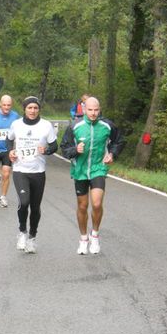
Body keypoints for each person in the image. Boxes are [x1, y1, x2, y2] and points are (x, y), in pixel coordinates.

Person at [60, 96, 125, 255]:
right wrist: (76, 150)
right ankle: (83, 238)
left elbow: (119, 141)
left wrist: (111, 154)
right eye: (90, 110)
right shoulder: (75, 126)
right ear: (84, 109)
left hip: (98, 168)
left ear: (100, 109)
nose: (93, 113)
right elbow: (64, 148)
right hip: (80, 170)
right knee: (82, 206)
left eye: (96, 110)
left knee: (96, 204)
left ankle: (94, 234)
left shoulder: (107, 126)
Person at [7, 96, 58, 253]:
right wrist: (10, 152)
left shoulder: (46, 126)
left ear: (39, 109)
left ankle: (32, 237)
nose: (32, 110)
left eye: (35, 108)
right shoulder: (16, 124)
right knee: (24, 202)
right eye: (30, 108)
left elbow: (54, 146)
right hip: (20, 170)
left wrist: (47, 150)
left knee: (35, 207)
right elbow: (9, 140)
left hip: (38, 172)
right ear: (24, 109)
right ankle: (22, 232)